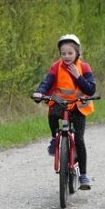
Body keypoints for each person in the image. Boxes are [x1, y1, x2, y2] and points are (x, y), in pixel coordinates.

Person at [33, 34, 97, 190]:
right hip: (61, 103)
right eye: (63, 53)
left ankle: (83, 176)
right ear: (60, 54)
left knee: (80, 140)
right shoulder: (56, 67)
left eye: (70, 53)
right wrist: (39, 93)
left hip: (78, 106)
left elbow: (90, 88)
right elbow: (47, 82)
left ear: (77, 53)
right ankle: (55, 137)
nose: (66, 56)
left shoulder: (84, 67)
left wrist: (78, 76)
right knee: (52, 115)